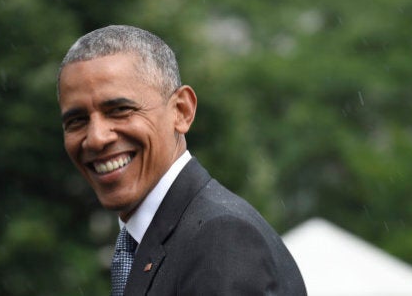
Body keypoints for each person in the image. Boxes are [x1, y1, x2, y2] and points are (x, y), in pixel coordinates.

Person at [57, 25, 307, 296]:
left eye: (119, 110)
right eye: (77, 121)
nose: (95, 138)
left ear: (181, 110)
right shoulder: (157, 240)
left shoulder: (220, 238)